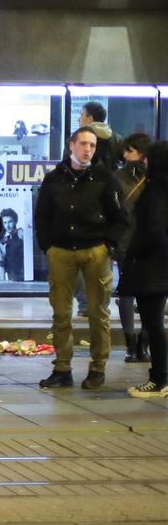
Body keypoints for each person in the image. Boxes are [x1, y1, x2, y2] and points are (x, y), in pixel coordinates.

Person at [34, 125, 127, 390]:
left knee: (98, 312)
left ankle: (98, 368)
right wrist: (48, 246)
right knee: (61, 313)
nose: (88, 150)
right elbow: (42, 215)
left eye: (92, 145)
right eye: (83, 144)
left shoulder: (105, 178)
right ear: (71, 145)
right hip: (61, 251)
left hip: (95, 250)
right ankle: (62, 368)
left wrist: (108, 245)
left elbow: (121, 216)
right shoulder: (54, 178)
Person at [120, 141, 168, 398]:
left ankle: (159, 379)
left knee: (153, 323)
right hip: (159, 265)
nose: (145, 162)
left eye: (148, 158)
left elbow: (153, 230)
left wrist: (134, 252)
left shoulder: (157, 190)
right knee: (154, 323)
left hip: (152, 267)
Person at [117, 132, 152, 363]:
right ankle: (131, 343)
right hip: (126, 242)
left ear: (142, 153)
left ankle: (143, 343)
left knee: (149, 294)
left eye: (130, 151)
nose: (125, 155)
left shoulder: (155, 178)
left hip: (149, 243)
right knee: (128, 292)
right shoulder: (118, 177)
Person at [79, 101, 117, 171]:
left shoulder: (75, 139)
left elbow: (66, 167)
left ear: (90, 118)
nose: (78, 119)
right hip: (109, 177)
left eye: (81, 115)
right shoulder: (116, 139)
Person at [0, 207, 25, 281]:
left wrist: (20, 230)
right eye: (5, 223)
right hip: (10, 275)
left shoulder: (20, 235)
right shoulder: (7, 238)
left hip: (20, 276)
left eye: (10, 222)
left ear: (15, 221)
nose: (7, 226)